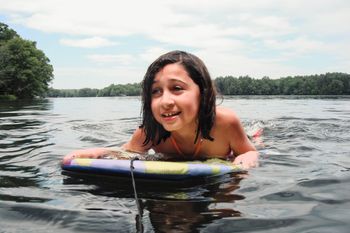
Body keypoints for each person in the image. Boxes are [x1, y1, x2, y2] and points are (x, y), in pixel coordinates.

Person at [63, 50, 258, 169]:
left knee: (257, 139)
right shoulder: (151, 130)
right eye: (156, 91)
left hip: (236, 142)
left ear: (203, 93)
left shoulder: (225, 123)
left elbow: (249, 152)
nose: (165, 101)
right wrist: (96, 153)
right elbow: (125, 154)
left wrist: (247, 158)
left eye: (177, 88)